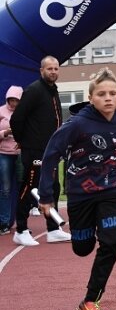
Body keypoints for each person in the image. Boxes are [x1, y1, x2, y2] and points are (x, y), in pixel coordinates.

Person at [37, 68, 116, 310]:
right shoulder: (77, 125)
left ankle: (90, 300)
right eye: (102, 94)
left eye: (113, 93)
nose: (108, 98)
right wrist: (45, 196)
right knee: (82, 248)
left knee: (111, 243)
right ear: (91, 97)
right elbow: (51, 156)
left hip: (111, 193)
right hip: (80, 194)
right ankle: (86, 231)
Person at [9, 56, 70, 246]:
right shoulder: (34, 90)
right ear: (41, 70)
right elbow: (16, 120)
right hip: (34, 150)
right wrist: (23, 141)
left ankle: (53, 229)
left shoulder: (53, 91)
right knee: (30, 187)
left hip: (51, 150)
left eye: (56, 69)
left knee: (53, 188)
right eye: (49, 69)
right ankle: (21, 229)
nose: (53, 72)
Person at [0, 86, 23, 235]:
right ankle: (4, 223)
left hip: (21, 153)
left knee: (23, 189)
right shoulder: (1, 111)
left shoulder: (24, 112)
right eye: (11, 100)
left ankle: (21, 222)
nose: (14, 103)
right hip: (4, 153)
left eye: (17, 100)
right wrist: (5, 132)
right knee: (6, 189)